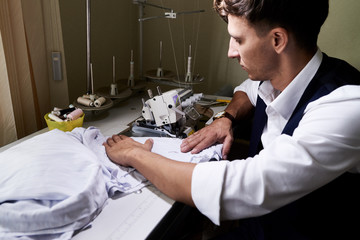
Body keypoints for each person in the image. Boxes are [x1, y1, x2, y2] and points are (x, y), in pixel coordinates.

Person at [104, 0, 360, 238]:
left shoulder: (347, 105)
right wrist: (225, 119)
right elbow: (246, 91)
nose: (231, 52)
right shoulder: (273, 78)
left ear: (278, 39)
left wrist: (134, 154)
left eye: (238, 39)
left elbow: (242, 187)